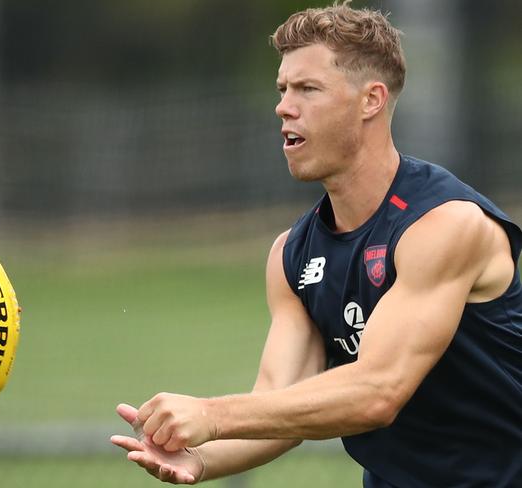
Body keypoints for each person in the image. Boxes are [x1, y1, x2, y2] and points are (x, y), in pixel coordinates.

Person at [111, 2, 522, 486]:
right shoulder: (292, 255)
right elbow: (279, 402)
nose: (283, 106)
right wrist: (199, 458)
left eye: (308, 89)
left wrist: (212, 414)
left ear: (371, 100)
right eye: (283, 89)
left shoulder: (445, 224)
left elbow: (378, 391)